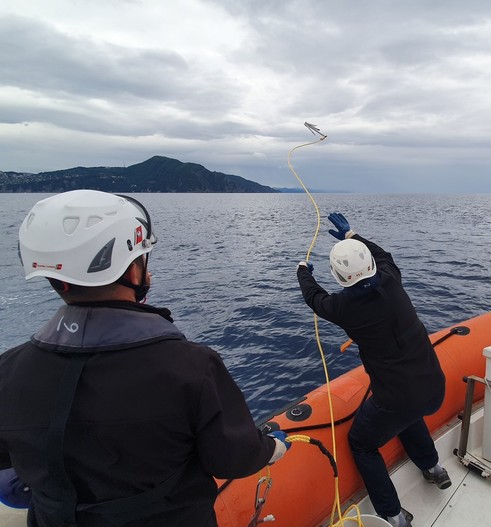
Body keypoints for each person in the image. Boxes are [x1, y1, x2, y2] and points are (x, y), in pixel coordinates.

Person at [0, 190, 290, 526]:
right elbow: (233, 459)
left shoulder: (8, 370)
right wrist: (272, 448)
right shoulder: (190, 367)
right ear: (132, 270)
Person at [296, 212, 449, 527]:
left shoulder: (343, 308)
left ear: (339, 276)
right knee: (409, 415)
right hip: (434, 386)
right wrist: (353, 235)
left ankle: (393, 515)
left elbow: (315, 298)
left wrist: (303, 272)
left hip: (396, 398)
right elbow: (384, 256)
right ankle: (434, 469)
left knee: (362, 443)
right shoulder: (392, 280)